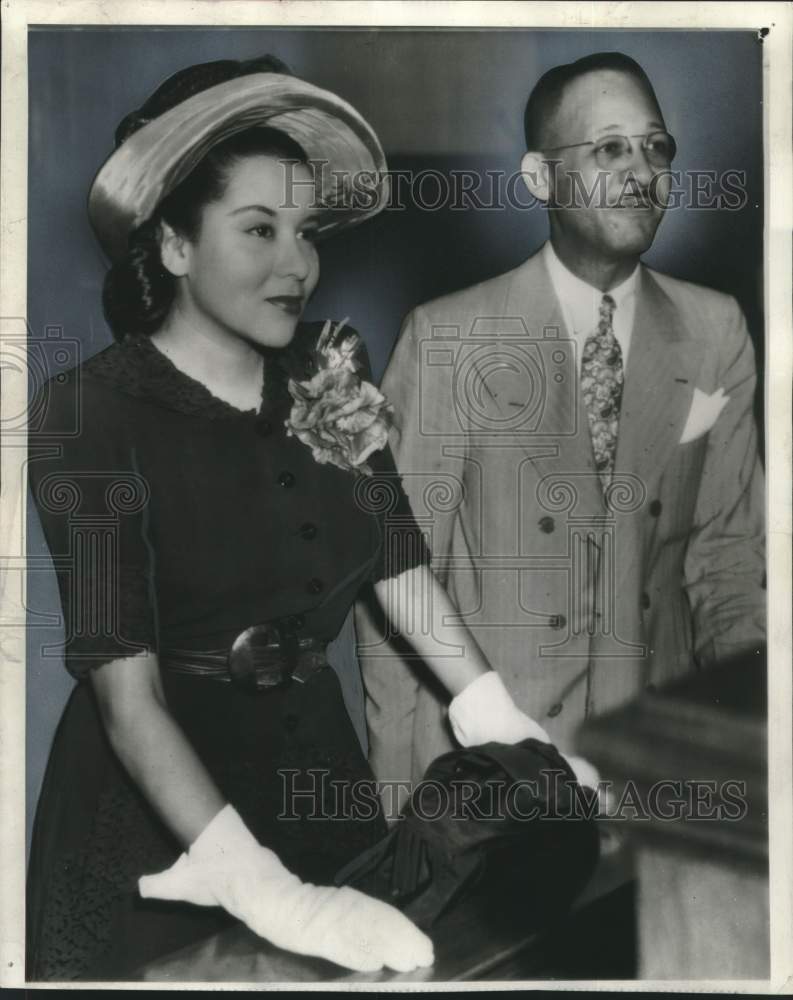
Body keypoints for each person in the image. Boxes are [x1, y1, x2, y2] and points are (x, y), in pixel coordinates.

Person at [26, 55, 576, 981]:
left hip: (317, 777)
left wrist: (506, 728)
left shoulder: (331, 363)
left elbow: (397, 567)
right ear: (172, 246)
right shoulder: (90, 410)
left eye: (307, 230)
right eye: (258, 230)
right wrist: (267, 893)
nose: (298, 264)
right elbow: (129, 700)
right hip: (158, 819)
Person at [356, 51, 765, 802]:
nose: (641, 171)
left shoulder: (715, 329)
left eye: (656, 147)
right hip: (496, 775)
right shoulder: (448, 337)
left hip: (657, 766)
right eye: (609, 148)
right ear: (540, 178)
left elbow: (730, 565)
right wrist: (399, 810)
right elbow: (397, 585)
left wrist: (754, 755)